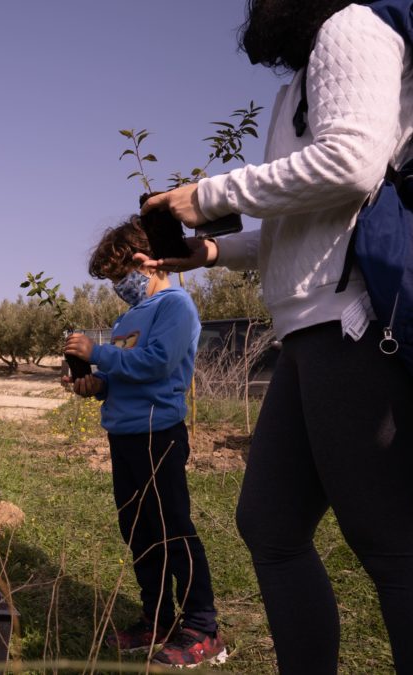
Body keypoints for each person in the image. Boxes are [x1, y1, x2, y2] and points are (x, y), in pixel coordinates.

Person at [139, 3, 413, 670]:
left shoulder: (352, 25)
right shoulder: (301, 80)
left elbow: (352, 164)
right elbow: (312, 217)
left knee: (388, 543)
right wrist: (210, 251)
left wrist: (210, 193)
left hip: (349, 321)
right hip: (306, 329)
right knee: (270, 524)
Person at [64, 218, 226, 668]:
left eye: (121, 274)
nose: (120, 285)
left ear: (147, 262)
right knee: (139, 531)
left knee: (173, 530)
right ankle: (156, 617)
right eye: (114, 279)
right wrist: (96, 384)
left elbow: (157, 364)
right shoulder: (127, 317)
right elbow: (124, 374)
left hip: (159, 434)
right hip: (124, 435)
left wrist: (97, 352)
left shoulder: (176, 307)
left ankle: (202, 626)